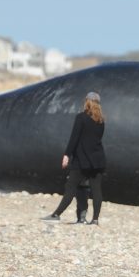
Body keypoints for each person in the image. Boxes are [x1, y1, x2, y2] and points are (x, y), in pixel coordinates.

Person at [43, 91, 107, 225]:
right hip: (98, 160)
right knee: (96, 190)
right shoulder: (101, 120)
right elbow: (96, 139)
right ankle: (94, 219)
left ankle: (56, 215)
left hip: (82, 160)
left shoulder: (81, 118)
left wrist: (67, 154)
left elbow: (74, 138)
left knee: (71, 187)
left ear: (87, 102)